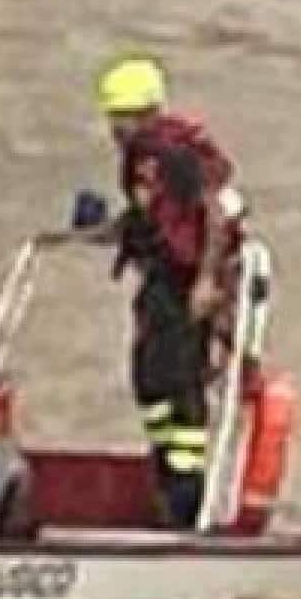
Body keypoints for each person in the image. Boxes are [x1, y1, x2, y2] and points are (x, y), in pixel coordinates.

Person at [95, 53, 246, 528]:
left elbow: (215, 211)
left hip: (185, 284)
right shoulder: (146, 156)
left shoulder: (171, 155)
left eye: (118, 117)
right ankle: (168, 475)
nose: (112, 128)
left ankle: (186, 499)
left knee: (177, 385)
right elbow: (152, 213)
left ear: (139, 114)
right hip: (162, 281)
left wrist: (206, 280)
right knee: (150, 380)